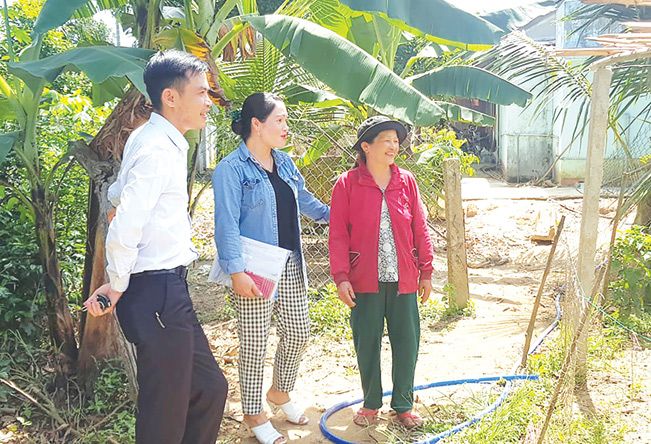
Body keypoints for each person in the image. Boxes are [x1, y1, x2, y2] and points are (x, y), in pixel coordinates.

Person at [84, 50, 228, 444]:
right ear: (171, 97)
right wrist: (116, 282)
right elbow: (126, 220)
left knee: (209, 389)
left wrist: (116, 207)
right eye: (201, 92)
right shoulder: (155, 149)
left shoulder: (153, 140)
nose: (208, 101)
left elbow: (118, 197)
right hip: (155, 292)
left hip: (168, 291)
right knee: (165, 410)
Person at [212, 92, 329, 444]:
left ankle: (279, 392)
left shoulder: (286, 163)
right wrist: (236, 271)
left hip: (290, 262)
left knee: (299, 331)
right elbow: (226, 224)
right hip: (254, 269)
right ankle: (253, 412)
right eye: (280, 120)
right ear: (256, 125)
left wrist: (339, 214)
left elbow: (306, 201)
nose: (286, 126)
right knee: (254, 342)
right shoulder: (230, 169)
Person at [328, 116, 434, 429]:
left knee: (407, 342)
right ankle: (371, 403)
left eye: (396, 140)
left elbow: (419, 227)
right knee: (367, 343)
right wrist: (341, 276)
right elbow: (338, 235)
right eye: (386, 139)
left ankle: (403, 404)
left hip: (403, 280)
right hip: (364, 282)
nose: (394, 145)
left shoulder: (407, 181)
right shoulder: (346, 184)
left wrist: (426, 271)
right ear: (366, 146)